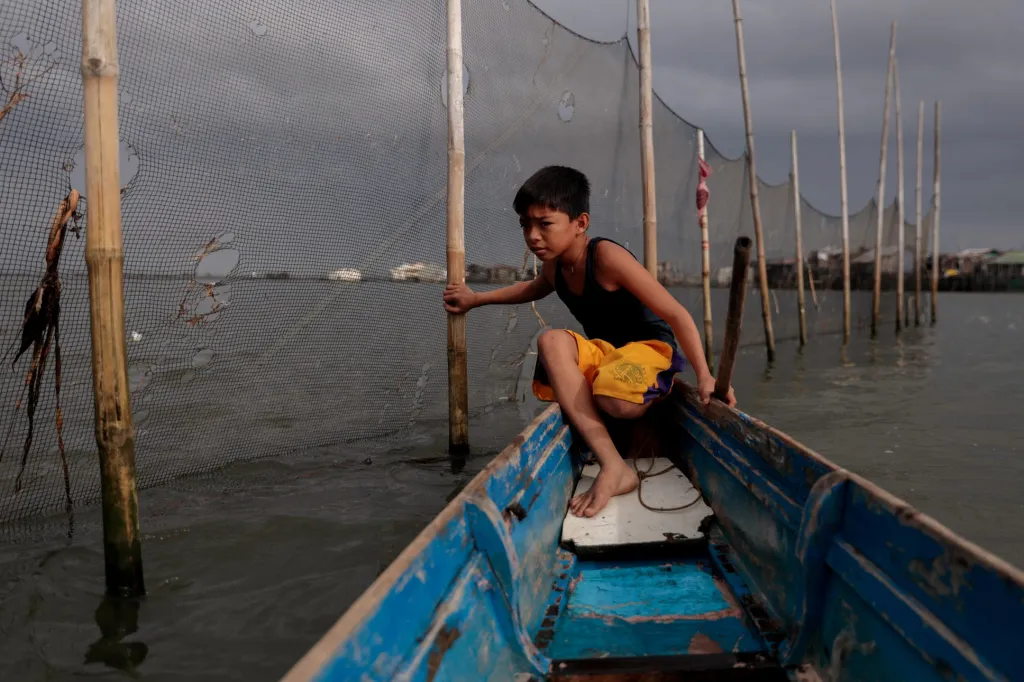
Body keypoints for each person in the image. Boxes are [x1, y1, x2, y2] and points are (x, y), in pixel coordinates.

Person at [443, 166, 735, 518]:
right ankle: (615, 466)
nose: (532, 236)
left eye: (544, 224)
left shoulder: (606, 257)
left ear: (580, 223)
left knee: (612, 396)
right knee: (551, 341)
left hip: (650, 351)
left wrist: (704, 375)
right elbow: (530, 289)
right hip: (610, 358)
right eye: (525, 225)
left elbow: (677, 314)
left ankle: (648, 407)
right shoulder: (554, 267)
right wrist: (476, 299)